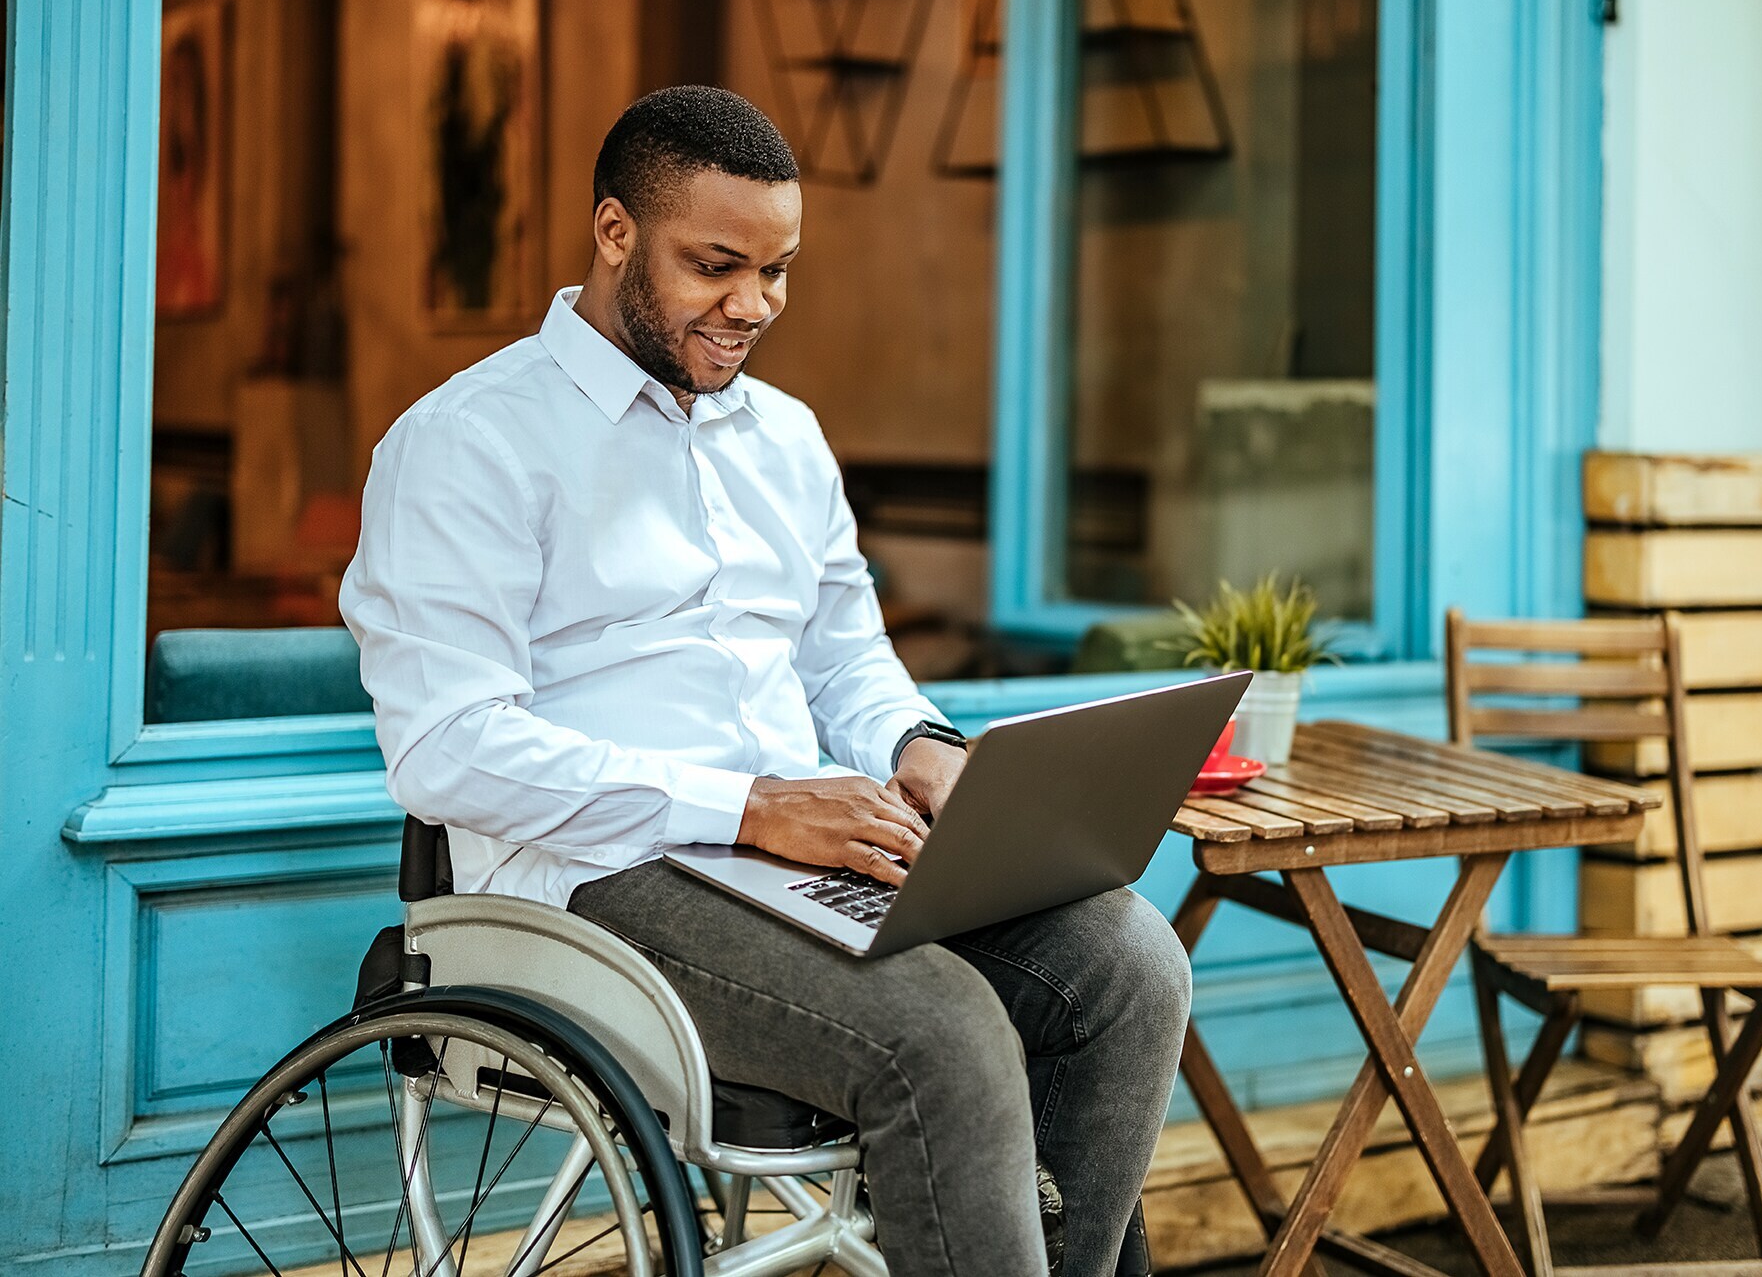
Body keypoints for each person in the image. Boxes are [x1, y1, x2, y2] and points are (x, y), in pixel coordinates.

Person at [340, 86, 1190, 1276]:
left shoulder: (783, 437)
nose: (752, 305)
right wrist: (746, 807)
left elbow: (846, 655)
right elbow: (449, 748)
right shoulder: (468, 442)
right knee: (937, 1031)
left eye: (778, 270)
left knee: (1125, 963)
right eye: (715, 264)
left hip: (803, 855)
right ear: (614, 232)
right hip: (592, 881)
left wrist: (920, 746)